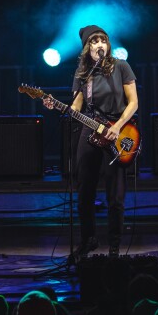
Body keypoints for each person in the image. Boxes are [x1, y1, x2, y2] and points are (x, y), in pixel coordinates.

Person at [45, 25, 138, 259]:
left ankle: (115, 245)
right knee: (84, 191)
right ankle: (88, 240)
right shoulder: (82, 74)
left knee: (115, 196)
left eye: (103, 40)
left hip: (117, 131)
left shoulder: (121, 67)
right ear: (87, 48)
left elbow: (134, 102)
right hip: (89, 131)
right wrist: (56, 104)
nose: (100, 44)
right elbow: (76, 107)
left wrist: (116, 127)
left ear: (108, 45)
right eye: (94, 41)